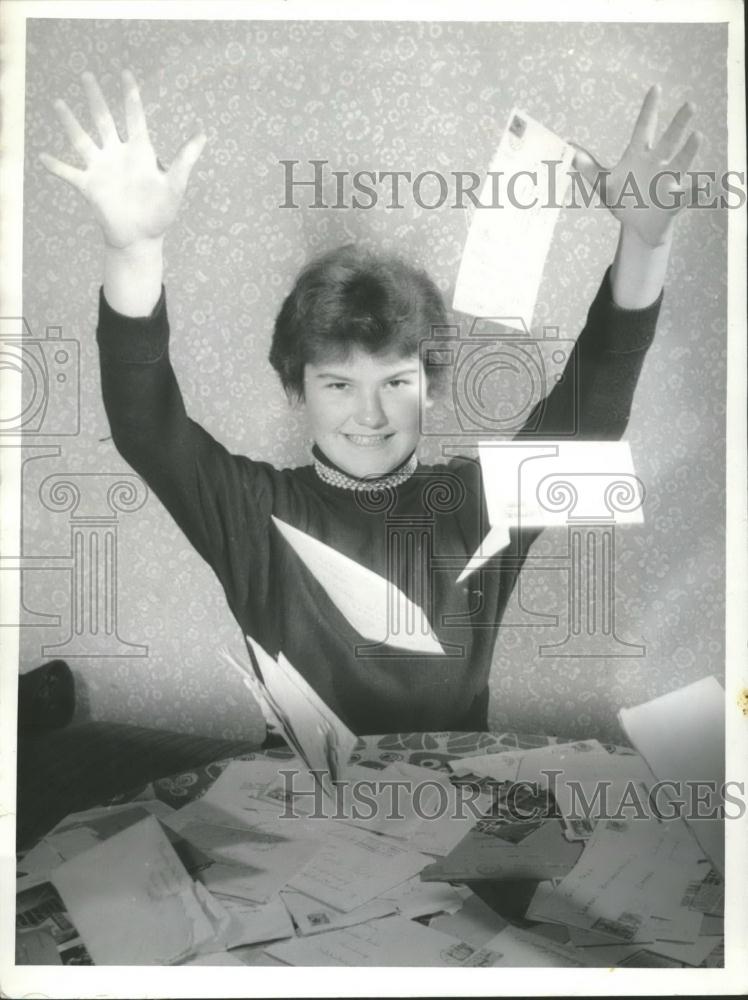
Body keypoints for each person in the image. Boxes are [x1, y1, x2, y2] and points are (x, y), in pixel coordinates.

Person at [40, 71, 700, 736]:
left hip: (459, 818)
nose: (370, 414)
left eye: (395, 382)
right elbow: (145, 424)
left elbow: (591, 424)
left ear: (431, 385)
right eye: (339, 385)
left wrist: (647, 242)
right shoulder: (252, 511)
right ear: (299, 388)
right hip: (289, 821)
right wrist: (134, 250)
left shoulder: (478, 506)